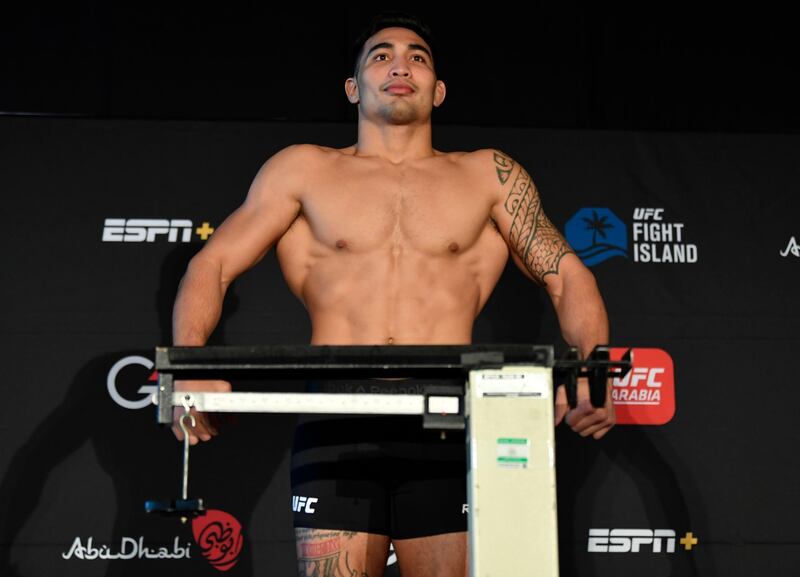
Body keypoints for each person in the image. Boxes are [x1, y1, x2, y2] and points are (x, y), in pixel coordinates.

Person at [171, 12, 613, 577]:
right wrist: (189, 362)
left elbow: (568, 274)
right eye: (381, 55)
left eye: (418, 57)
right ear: (353, 87)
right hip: (336, 418)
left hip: (452, 419)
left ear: (440, 89)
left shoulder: (489, 176)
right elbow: (212, 263)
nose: (401, 64)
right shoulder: (301, 170)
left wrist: (592, 368)